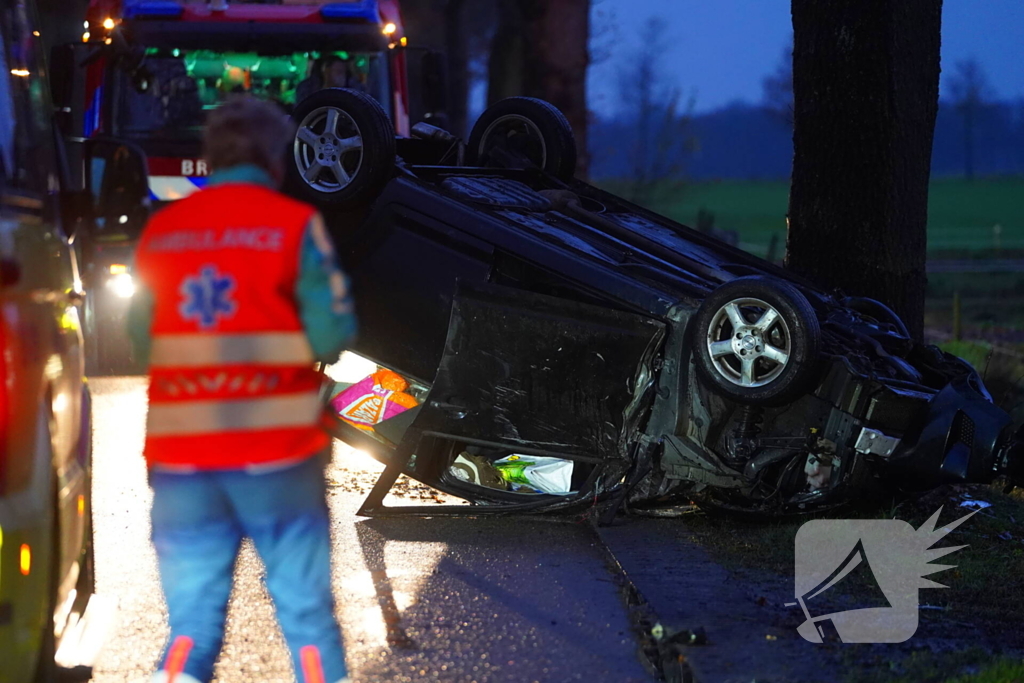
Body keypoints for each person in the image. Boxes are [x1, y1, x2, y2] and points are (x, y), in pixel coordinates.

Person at [127, 97, 357, 683]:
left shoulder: (163, 231)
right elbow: (334, 330)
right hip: (277, 457)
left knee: (190, 628)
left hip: (183, 461)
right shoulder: (294, 227)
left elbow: (139, 338)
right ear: (272, 157)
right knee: (305, 618)